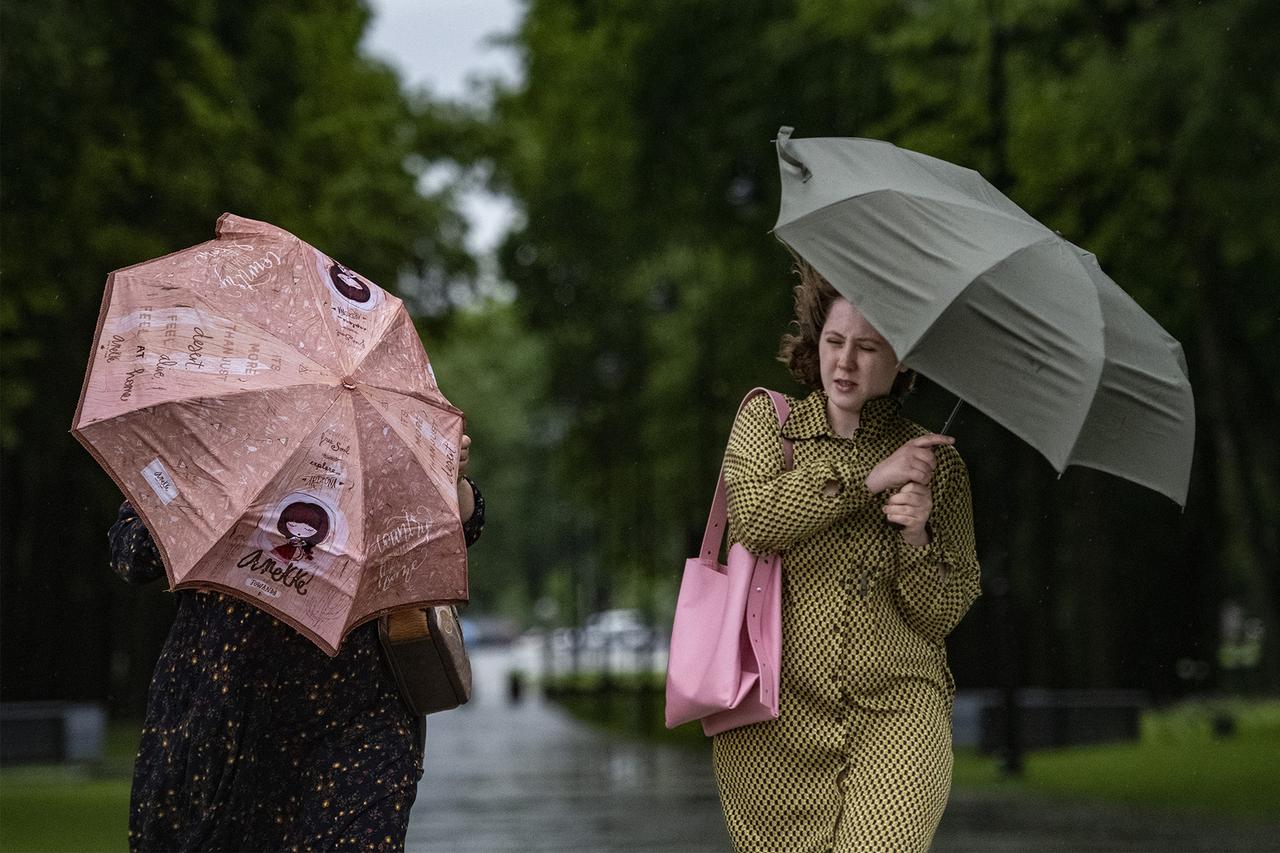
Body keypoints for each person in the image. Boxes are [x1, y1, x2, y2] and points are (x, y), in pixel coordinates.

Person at [712, 260, 981, 852]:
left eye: (868, 347)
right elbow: (755, 522)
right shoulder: (766, 422)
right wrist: (869, 477)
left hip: (900, 714)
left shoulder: (940, 466)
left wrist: (915, 535)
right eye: (834, 342)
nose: (844, 362)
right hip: (772, 720)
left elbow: (943, 612)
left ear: (903, 358)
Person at [109, 436, 484, 853]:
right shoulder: (207, 437)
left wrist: (450, 475)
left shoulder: (376, 427)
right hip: (225, 719)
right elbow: (132, 553)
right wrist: (218, 492)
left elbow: (456, 535)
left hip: (358, 721)